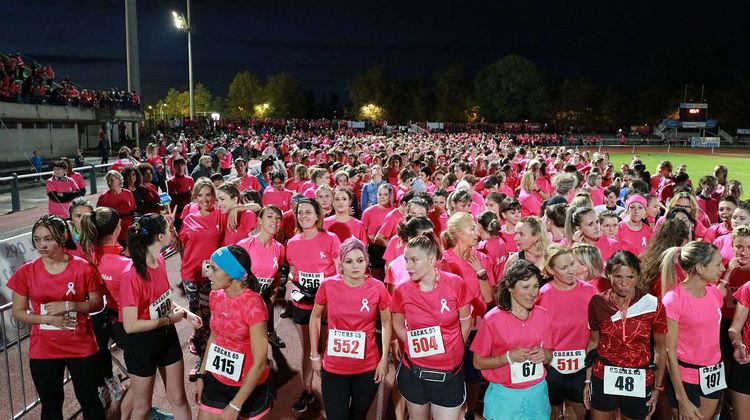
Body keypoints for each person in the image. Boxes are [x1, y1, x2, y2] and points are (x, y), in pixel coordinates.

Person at [7, 215, 105, 420]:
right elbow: (18, 312)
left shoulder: (83, 267)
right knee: (50, 406)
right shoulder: (26, 272)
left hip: (81, 344)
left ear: (63, 236)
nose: (41, 245)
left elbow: (98, 303)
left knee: (90, 401)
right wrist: (48, 320)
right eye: (37, 239)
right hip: (44, 349)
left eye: (48, 239)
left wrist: (70, 305)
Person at [121, 213, 201, 419]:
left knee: (178, 398)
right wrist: (167, 320)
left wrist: (186, 314)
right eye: (168, 228)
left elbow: (163, 298)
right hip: (141, 344)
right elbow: (130, 325)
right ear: (159, 237)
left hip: (166, 336)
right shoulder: (131, 275)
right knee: (142, 407)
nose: (171, 231)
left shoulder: (160, 259)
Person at [391, 234, 472, 420]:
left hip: (450, 375)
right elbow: (397, 323)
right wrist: (413, 344)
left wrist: (454, 347)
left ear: (431, 259)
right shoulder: (401, 290)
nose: (408, 266)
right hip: (415, 372)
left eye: (414, 260)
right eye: (406, 260)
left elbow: (466, 320)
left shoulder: (455, 284)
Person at [309, 238, 392, 419]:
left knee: (358, 415)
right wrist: (314, 354)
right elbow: (315, 317)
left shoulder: (378, 288)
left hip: (367, 367)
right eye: (349, 261)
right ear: (341, 264)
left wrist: (385, 358)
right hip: (334, 367)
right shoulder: (328, 286)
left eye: (360, 260)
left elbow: (386, 322)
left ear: (367, 260)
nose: (355, 266)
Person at [584, 250, 667, 420]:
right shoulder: (597, 302)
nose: (624, 283)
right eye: (618, 276)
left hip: (640, 376)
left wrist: (657, 388)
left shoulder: (653, 304)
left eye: (630, 277)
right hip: (603, 374)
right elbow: (593, 343)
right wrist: (587, 381)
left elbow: (660, 349)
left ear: (638, 277)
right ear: (608, 275)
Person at [194, 246, 273, 419]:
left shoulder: (254, 304)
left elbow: (260, 361)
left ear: (233, 272)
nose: (208, 273)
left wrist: (235, 405)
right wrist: (201, 375)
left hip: (249, 386)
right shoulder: (216, 295)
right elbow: (214, 338)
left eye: (214, 268)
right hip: (218, 380)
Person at [471, 259, 553, 420]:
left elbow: (549, 355)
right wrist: (507, 357)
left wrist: (545, 355)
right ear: (509, 287)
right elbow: (478, 362)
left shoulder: (543, 315)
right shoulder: (492, 319)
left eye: (536, 286)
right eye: (526, 287)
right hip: (504, 397)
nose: (532, 293)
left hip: (537, 394)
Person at [286, 198, 341, 412]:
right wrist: (291, 281)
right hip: (303, 303)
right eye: (300, 212)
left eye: (308, 212)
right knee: (309, 349)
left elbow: (338, 272)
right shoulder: (292, 242)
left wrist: (331, 298)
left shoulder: (331, 239)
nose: (304, 216)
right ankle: (307, 390)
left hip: (327, 304)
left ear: (318, 215)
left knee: (328, 348)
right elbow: (293, 269)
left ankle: (332, 391)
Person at [661, 241, 727, 420]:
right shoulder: (673, 299)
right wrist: (681, 398)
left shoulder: (714, 294)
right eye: (717, 264)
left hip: (713, 375)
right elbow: (669, 351)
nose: (722, 268)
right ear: (699, 268)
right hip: (685, 378)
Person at [78, 207, 130, 411]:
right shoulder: (122, 263)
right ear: (117, 227)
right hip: (122, 322)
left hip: (107, 320)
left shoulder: (90, 255)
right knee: (141, 375)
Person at [537, 244, 596, 419]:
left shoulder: (590, 291)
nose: (571, 271)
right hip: (551, 368)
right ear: (550, 269)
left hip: (582, 367)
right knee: (551, 414)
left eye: (572, 264)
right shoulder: (542, 295)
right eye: (564, 267)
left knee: (578, 414)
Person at [173, 179, 224, 373]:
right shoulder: (189, 215)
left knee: (210, 311)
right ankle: (202, 353)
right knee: (197, 312)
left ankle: (207, 349)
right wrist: (171, 230)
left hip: (213, 273)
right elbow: (180, 245)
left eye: (208, 194)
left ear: (214, 195)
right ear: (195, 197)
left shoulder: (220, 214)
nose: (205, 199)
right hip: (191, 272)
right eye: (200, 195)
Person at [237, 205, 287, 349]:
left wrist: (273, 294)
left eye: (278, 218)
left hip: (263, 297)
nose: (274, 221)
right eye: (270, 217)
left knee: (259, 341)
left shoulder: (280, 248)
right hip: (243, 301)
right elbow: (230, 276)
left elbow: (277, 273)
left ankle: (270, 334)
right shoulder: (244, 245)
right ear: (259, 220)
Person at [727, 229, 750, 419]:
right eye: (740, 247)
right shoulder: (747, 289)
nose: (744, 252)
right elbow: (735, 328)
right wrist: (737, 344)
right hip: (745, 362)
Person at [97, 170, 136, 245]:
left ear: (119, 180)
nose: (109, 183)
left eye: (112, 180)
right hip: (113, 231)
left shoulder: (128, 193)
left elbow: (133, 209)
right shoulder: (103, 197)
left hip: (128, 229)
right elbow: (99, 216)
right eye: (107, 181)